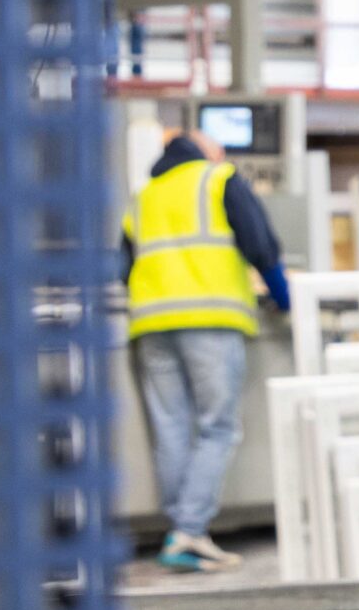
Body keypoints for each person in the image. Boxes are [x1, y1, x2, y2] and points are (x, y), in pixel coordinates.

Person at [123, 127, 291, 572]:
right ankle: (188, 532)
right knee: (218, 427)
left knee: (172, 428)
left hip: (151, 323)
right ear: (205, 151)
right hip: (210, 319)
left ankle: (179, 530)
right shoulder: (219, 179)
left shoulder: (145, 196)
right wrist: (284, 297)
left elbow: (123, 265)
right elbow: (261, 245)